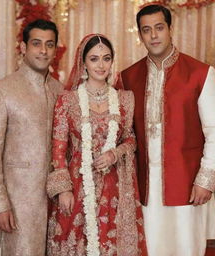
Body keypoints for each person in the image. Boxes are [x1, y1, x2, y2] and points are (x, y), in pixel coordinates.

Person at [115, 4, 215, 256]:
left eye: (159, 28)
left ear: (170, 29)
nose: (153, 35)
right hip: (145, 188)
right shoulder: (128, 77)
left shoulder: (199, 73)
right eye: (146, 30)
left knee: (187, 248)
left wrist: (205, 180)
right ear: (140, 35)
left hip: (188, 183)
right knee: (151, 249)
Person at [46, 34, 147, 256]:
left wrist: (114, 153)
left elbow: (131, 140)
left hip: (115, 186)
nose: (101, 65)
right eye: (94, 59)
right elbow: (59, 148)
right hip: (78, 183)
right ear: (83, 62)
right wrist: (63, 189)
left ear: (112, 61)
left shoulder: (124, 99)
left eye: (106, 58)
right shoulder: (68, 100)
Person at [0, 19, 62, 255]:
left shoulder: (60, 91)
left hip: (57, 204)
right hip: (19, 204)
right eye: (36, 43)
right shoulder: (1, 91)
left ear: (55, 49)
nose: (43, 50)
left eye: (49, 44)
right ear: (23, 47)